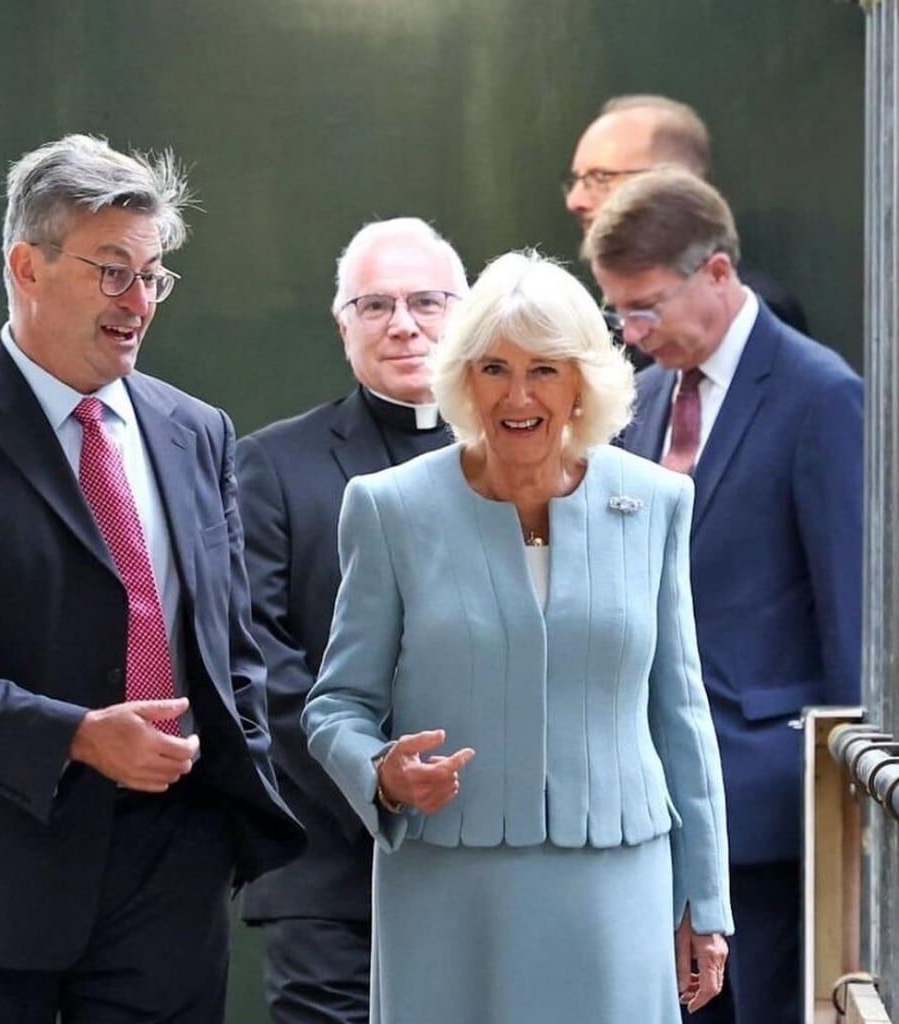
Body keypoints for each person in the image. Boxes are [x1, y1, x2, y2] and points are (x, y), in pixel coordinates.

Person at [0, 134, 303, 1024]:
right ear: (28, 265)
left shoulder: (198, 429)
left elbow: (230, 640)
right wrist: (75, 736)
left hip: (170, 876)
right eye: (113, 272)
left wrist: (222, 807)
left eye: (154, 276)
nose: (139, 302)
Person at [302, 249, 733, 1024]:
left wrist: (705, 898)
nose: (519, 394)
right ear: (463, 379)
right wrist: (383, 774)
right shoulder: (387, 508)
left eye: (545, 368)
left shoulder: (658, 501)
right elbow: (336, 704)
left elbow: (682, 712)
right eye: (494, 368)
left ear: (583, 383)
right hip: (449, 893)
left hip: (618, 885)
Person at [584, 167, 863, 1024]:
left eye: (647, 307)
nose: (631, 333)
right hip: (647, 801)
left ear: (717, 273)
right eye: (616, 312)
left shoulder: (822, 397)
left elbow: (853, 626)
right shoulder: (646, 398)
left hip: (775, 814)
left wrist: (849, 826)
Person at [237, 217, 467, 1023]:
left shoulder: (529, 462)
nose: (402, 324)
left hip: (496, 871)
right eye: (375, 305)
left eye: (427, 302)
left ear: (465, 312)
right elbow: (258, 656)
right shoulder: (271, 463)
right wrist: (373, 775)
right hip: (333, 874)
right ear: (344, 327)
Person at [563, 94, 808, 336]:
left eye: (600, 178)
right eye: (576, 180)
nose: (575, 201)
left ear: (673, 182)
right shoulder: (604, 318)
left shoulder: (751, 312)